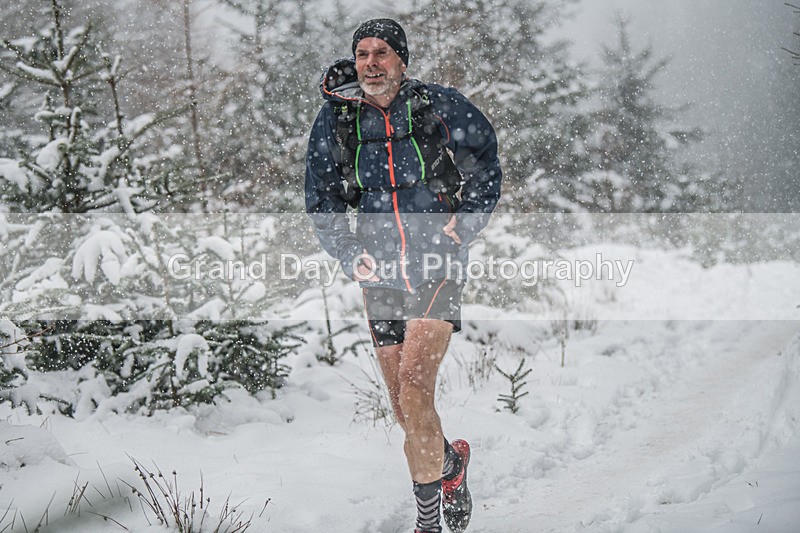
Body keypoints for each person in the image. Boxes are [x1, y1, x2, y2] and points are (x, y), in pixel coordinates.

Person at [305, 18, 501, 533]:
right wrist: (348, 251)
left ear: (402, 61)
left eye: (382, 53)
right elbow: (321, 198)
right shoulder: (337, 120)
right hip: (379, 269)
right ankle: (451, 467)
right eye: (363, 53)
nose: (371, 62)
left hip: (438, 259)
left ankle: (429, 523)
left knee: (415, 388)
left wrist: (469, 218)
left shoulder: (438, 104)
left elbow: (485, 161)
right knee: (403, 406)